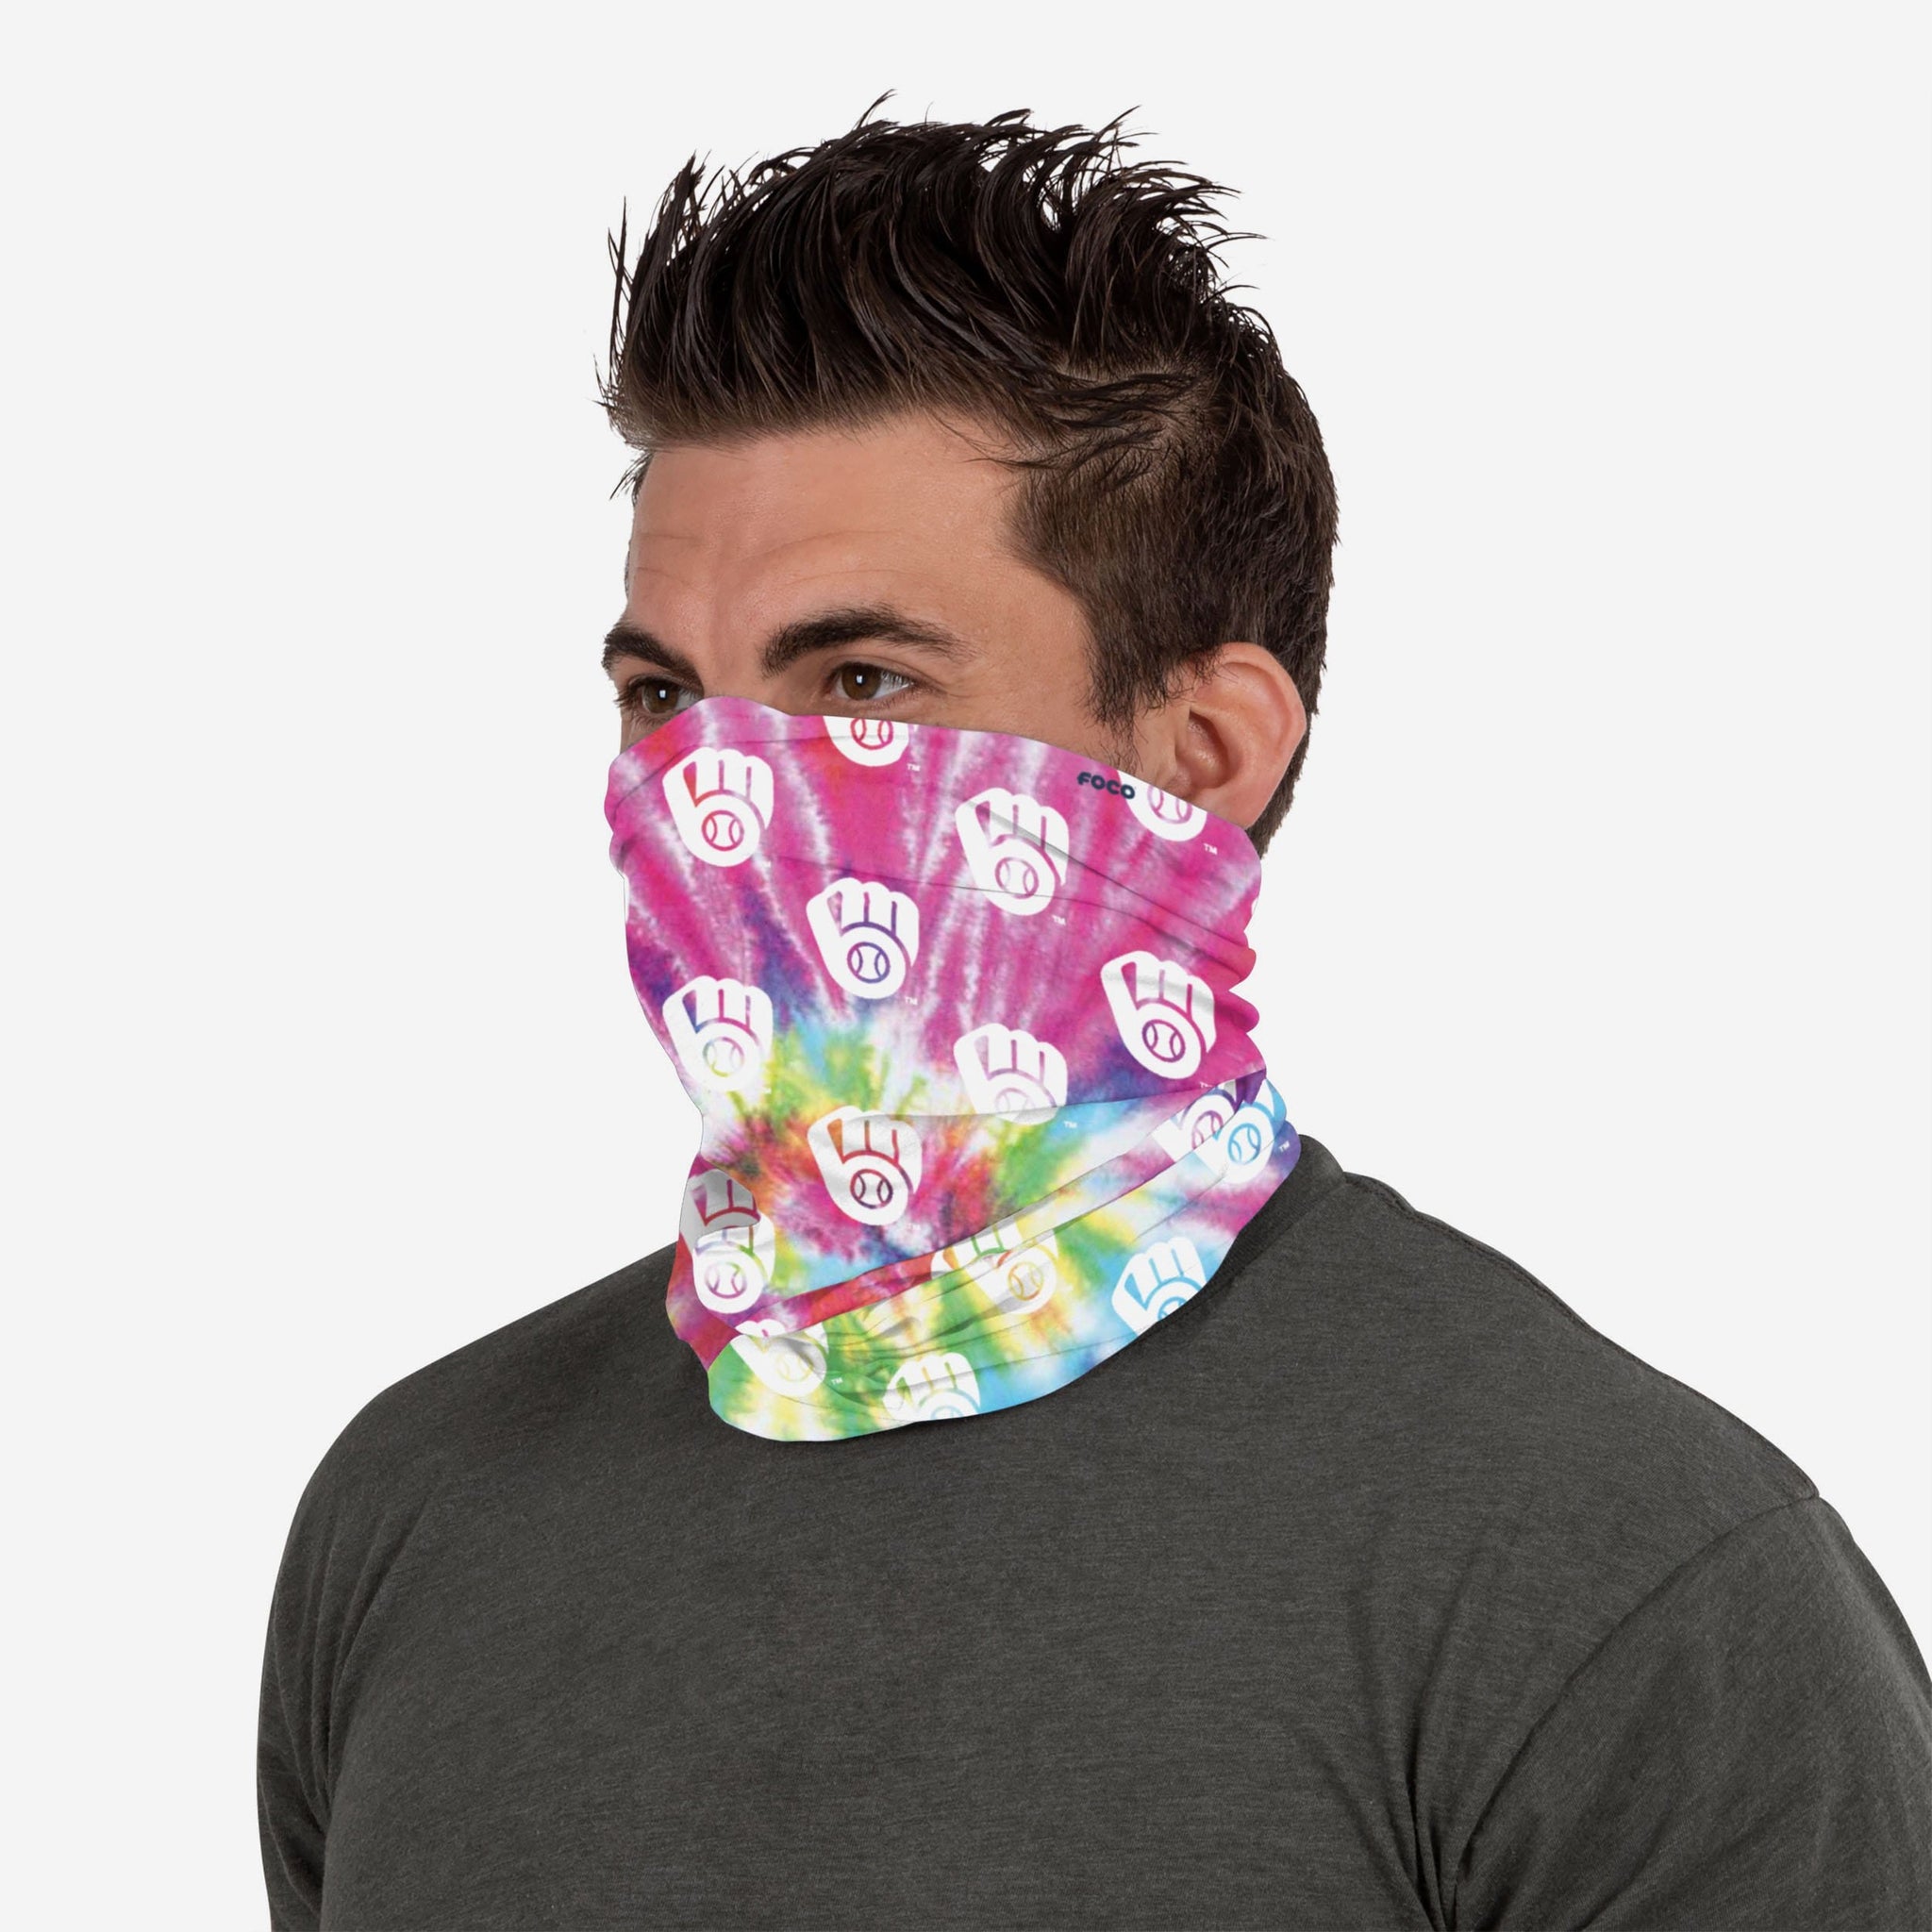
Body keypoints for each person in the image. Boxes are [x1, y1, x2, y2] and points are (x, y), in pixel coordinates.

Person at [258, 107, 1932, 1930]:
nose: (712, 793)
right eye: (664, 697)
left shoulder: (1617, 1584)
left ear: (1203, 751)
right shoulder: (415, 1514)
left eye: (864, 680)